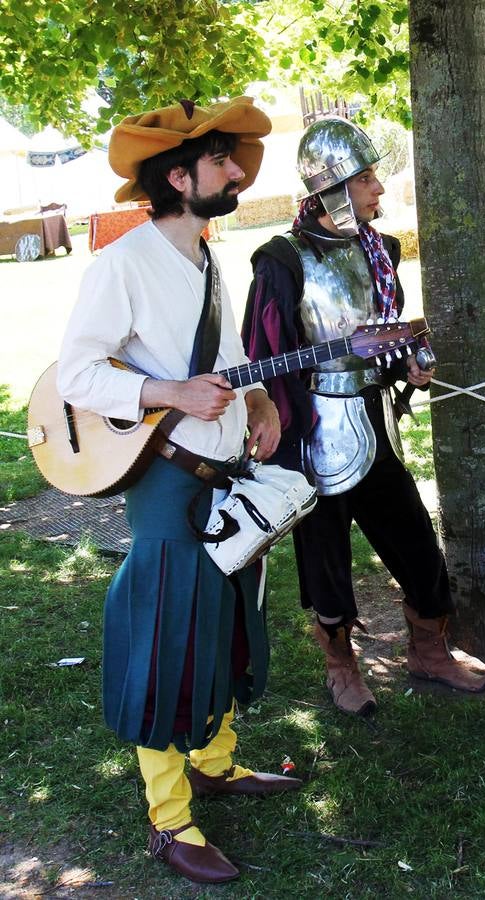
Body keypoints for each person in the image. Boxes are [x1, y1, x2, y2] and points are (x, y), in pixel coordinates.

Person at [56, 97, 302, 885]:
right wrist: (170, 394)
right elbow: (78, 374)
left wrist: (257, 400)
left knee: (227, 625)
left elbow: (225, 363)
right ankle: (169, 818)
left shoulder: (205, 256)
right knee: (165, 643)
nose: (235, 171)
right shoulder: (122, 265)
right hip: (167, 487)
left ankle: (217, 763)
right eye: (223, 159)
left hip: (224, 478)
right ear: (178, 174)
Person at [242, 116, 485, 716]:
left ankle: (429, 653)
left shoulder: (379, 251)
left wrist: (408, 363)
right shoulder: (281, 260)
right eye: (367, 178)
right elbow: (263, 354)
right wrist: (273, 417)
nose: (380, 189)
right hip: (313, 434)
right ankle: (341, 666)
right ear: (331, 187)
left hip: (375, 424)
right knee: (325, 565)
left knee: (417, 546)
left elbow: (384, 335)